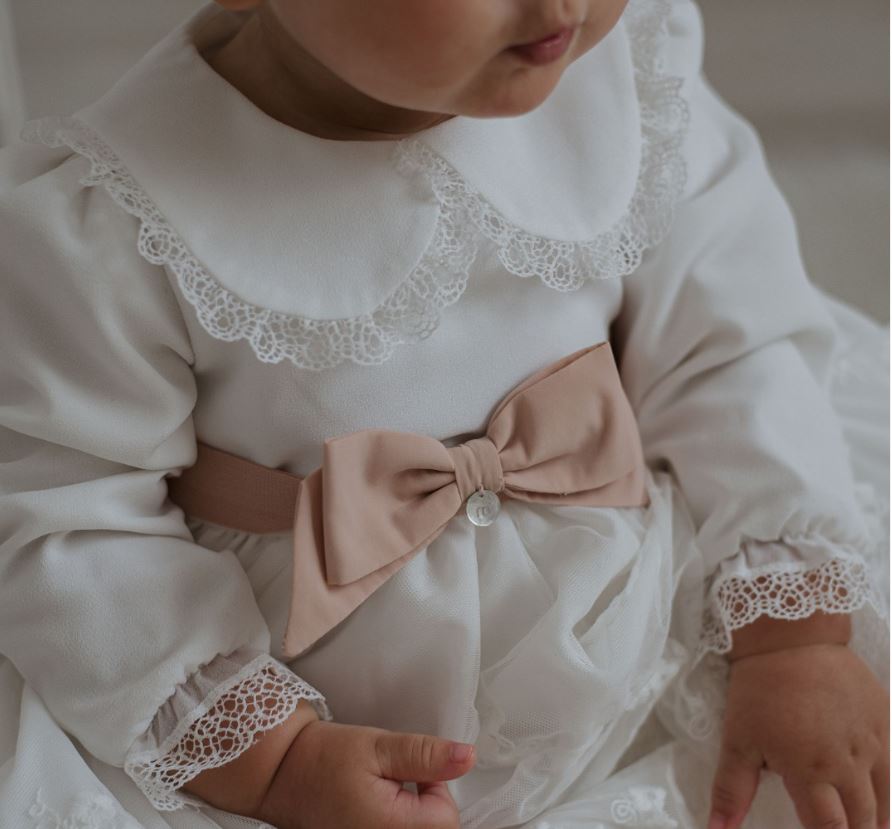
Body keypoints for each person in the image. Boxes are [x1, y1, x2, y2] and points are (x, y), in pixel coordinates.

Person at [0, 0, 888, 827]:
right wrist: (274, 760)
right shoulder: (115, 221)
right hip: (328, 711)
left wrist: (792, 639)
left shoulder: (619, 78)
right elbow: (72, 523)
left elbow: (732, 340)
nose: (559, 7)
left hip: (646, 624)